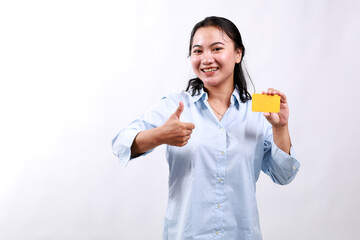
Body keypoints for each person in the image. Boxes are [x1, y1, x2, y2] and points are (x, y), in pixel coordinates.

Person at [112, 16, 300, 240]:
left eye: (217, 48)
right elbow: (120, 143)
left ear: (238, 54)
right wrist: (158, 136)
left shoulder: (260, 109)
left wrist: (281, 128)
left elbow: (284, 175)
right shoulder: (176, 106)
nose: (206, 58)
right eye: (198, 51)